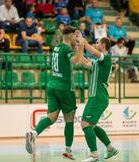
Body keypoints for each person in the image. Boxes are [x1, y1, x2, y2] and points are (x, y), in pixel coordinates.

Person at [25, 28, 85, 160]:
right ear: (71, 38)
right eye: (75, 37)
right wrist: (82, 45)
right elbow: (77, 61)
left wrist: (77, 44)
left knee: (51, 117)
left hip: (52, 85)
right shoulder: (66, 49)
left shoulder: (57, 48)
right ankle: (68, 151)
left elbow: (72, 53)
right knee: (69, 120)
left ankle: (33, 134)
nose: (77, 39)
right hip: (65, 87)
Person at [79, 37, 119, 162]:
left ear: (103, 44)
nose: (95, 45)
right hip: (96, 96)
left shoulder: (106, 58)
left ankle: (94, 154)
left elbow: (93, 53)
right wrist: (77, 49)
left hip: (98, 96)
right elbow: (85, 63)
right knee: (92, 125)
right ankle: (110, 148)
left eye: (97, 43)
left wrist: (84, 42)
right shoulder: (97, 62)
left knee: (85, 123)